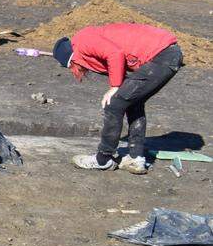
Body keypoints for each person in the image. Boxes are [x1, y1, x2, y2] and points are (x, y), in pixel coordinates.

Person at [52, 24, 182, 174]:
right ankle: (135, 158)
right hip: (168, 55)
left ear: (71, 59)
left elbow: (115, 53)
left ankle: (103, 159)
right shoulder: (87, 39)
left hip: (161, 56)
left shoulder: (82, 40)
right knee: (133, 102)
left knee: (113, 104)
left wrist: (115, 86)